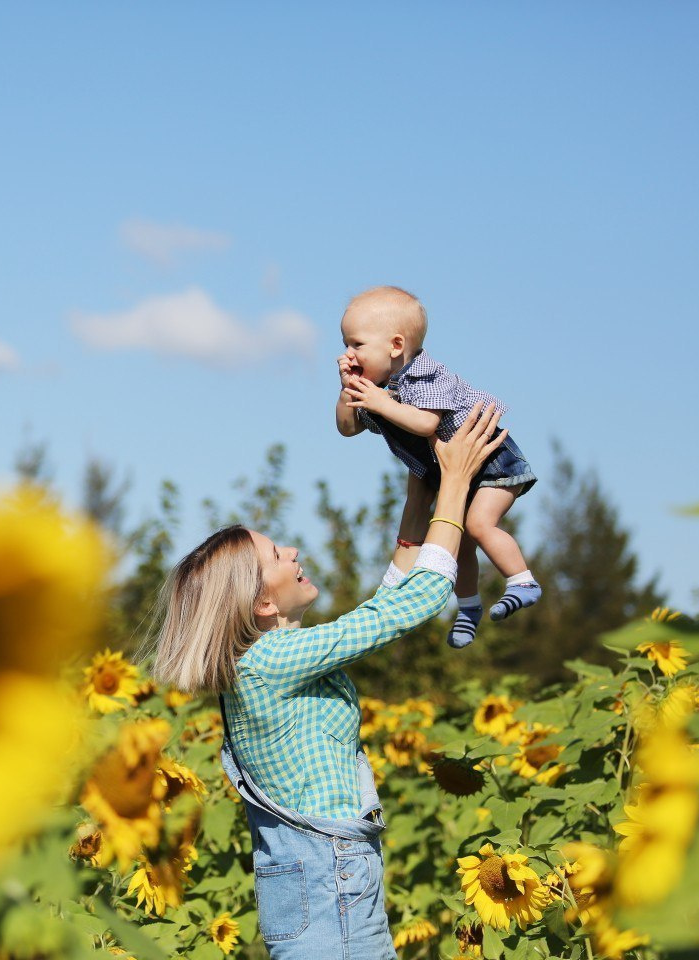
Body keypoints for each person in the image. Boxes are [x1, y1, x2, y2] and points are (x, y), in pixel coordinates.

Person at [150, 404, 505, 959]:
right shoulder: (272, 660)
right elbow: (410, 607)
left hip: (320, 880)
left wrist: (421, 489)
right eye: (275, 554)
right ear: (263, 601)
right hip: (328, 880)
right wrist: (456, 485)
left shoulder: (264, 660)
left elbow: (387, 602)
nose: (293, 551)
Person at [336, 285, 540, 648]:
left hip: (492, 462)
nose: (347, 354)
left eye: (356, 344)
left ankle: (522, 580)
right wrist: (347, 392)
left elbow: (426, 424)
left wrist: (381, 403)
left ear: (396, 346)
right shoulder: (380, 388)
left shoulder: (427, 375)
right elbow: (347, 428)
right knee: (455, 542)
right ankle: (468, 608)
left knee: (478, 525)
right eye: (345, 344)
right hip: (454, 472)